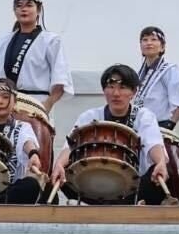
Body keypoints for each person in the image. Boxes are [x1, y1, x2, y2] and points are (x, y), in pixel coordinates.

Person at [50, 64, 171, 205]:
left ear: (134, 92)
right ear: (104, 90)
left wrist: (161, 162)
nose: (116, 93)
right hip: (91, 185)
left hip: (132, 188)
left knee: (156, 176)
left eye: (122, 87)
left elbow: (153, 143)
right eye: (111, 87)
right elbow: (70, 146)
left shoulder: (143, 116)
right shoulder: (89, 116)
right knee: (63, 170)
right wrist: (58, 164)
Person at [0, 0, 73, 113]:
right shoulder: (2, 43)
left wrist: (48, 104)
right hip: (4, 105)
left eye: (29, 5)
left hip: (36, 103)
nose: (23, 9)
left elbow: (60, 77)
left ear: (38, 10)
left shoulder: (51, 41)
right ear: (14, 11)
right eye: (19, 6)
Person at [134, 26, 179, 130]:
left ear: (162, 47)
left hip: (161, 126)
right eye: (145, 40)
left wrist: (170, 125)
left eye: (154, 39)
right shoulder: (139, 73)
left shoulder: (169, 70)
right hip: (139, 126)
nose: (149, 43)